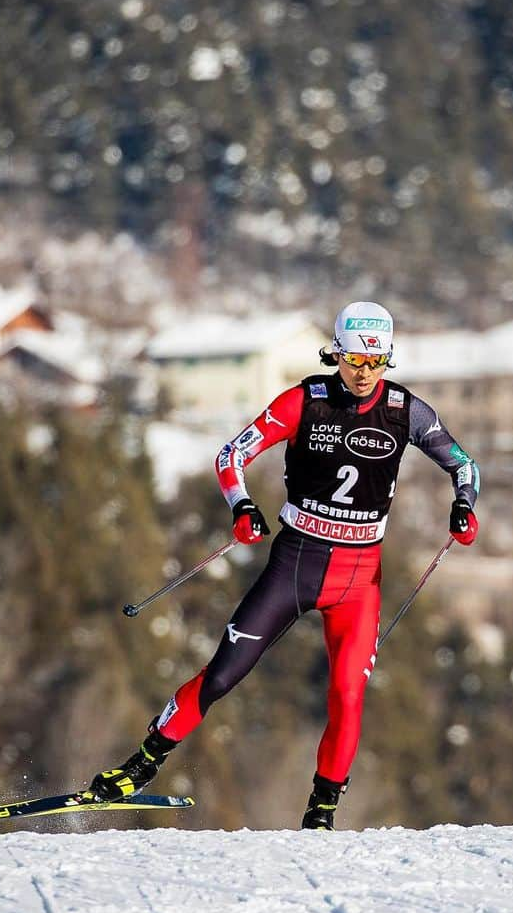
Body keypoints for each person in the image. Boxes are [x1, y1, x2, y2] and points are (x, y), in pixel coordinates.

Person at [86, 301, 481, 829]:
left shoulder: (408, 411)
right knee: (223, 675)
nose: (364, 374)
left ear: (388, 359)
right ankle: (139, 767)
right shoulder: (304, 401)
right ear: (336, 355)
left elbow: (464, 466)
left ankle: (321, 812)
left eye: (376, 362)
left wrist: (463, 505)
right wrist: (242, 506)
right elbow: (232, 455)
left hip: (358, 581)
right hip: (295, 564)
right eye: (354, 361)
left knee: (347, 694)